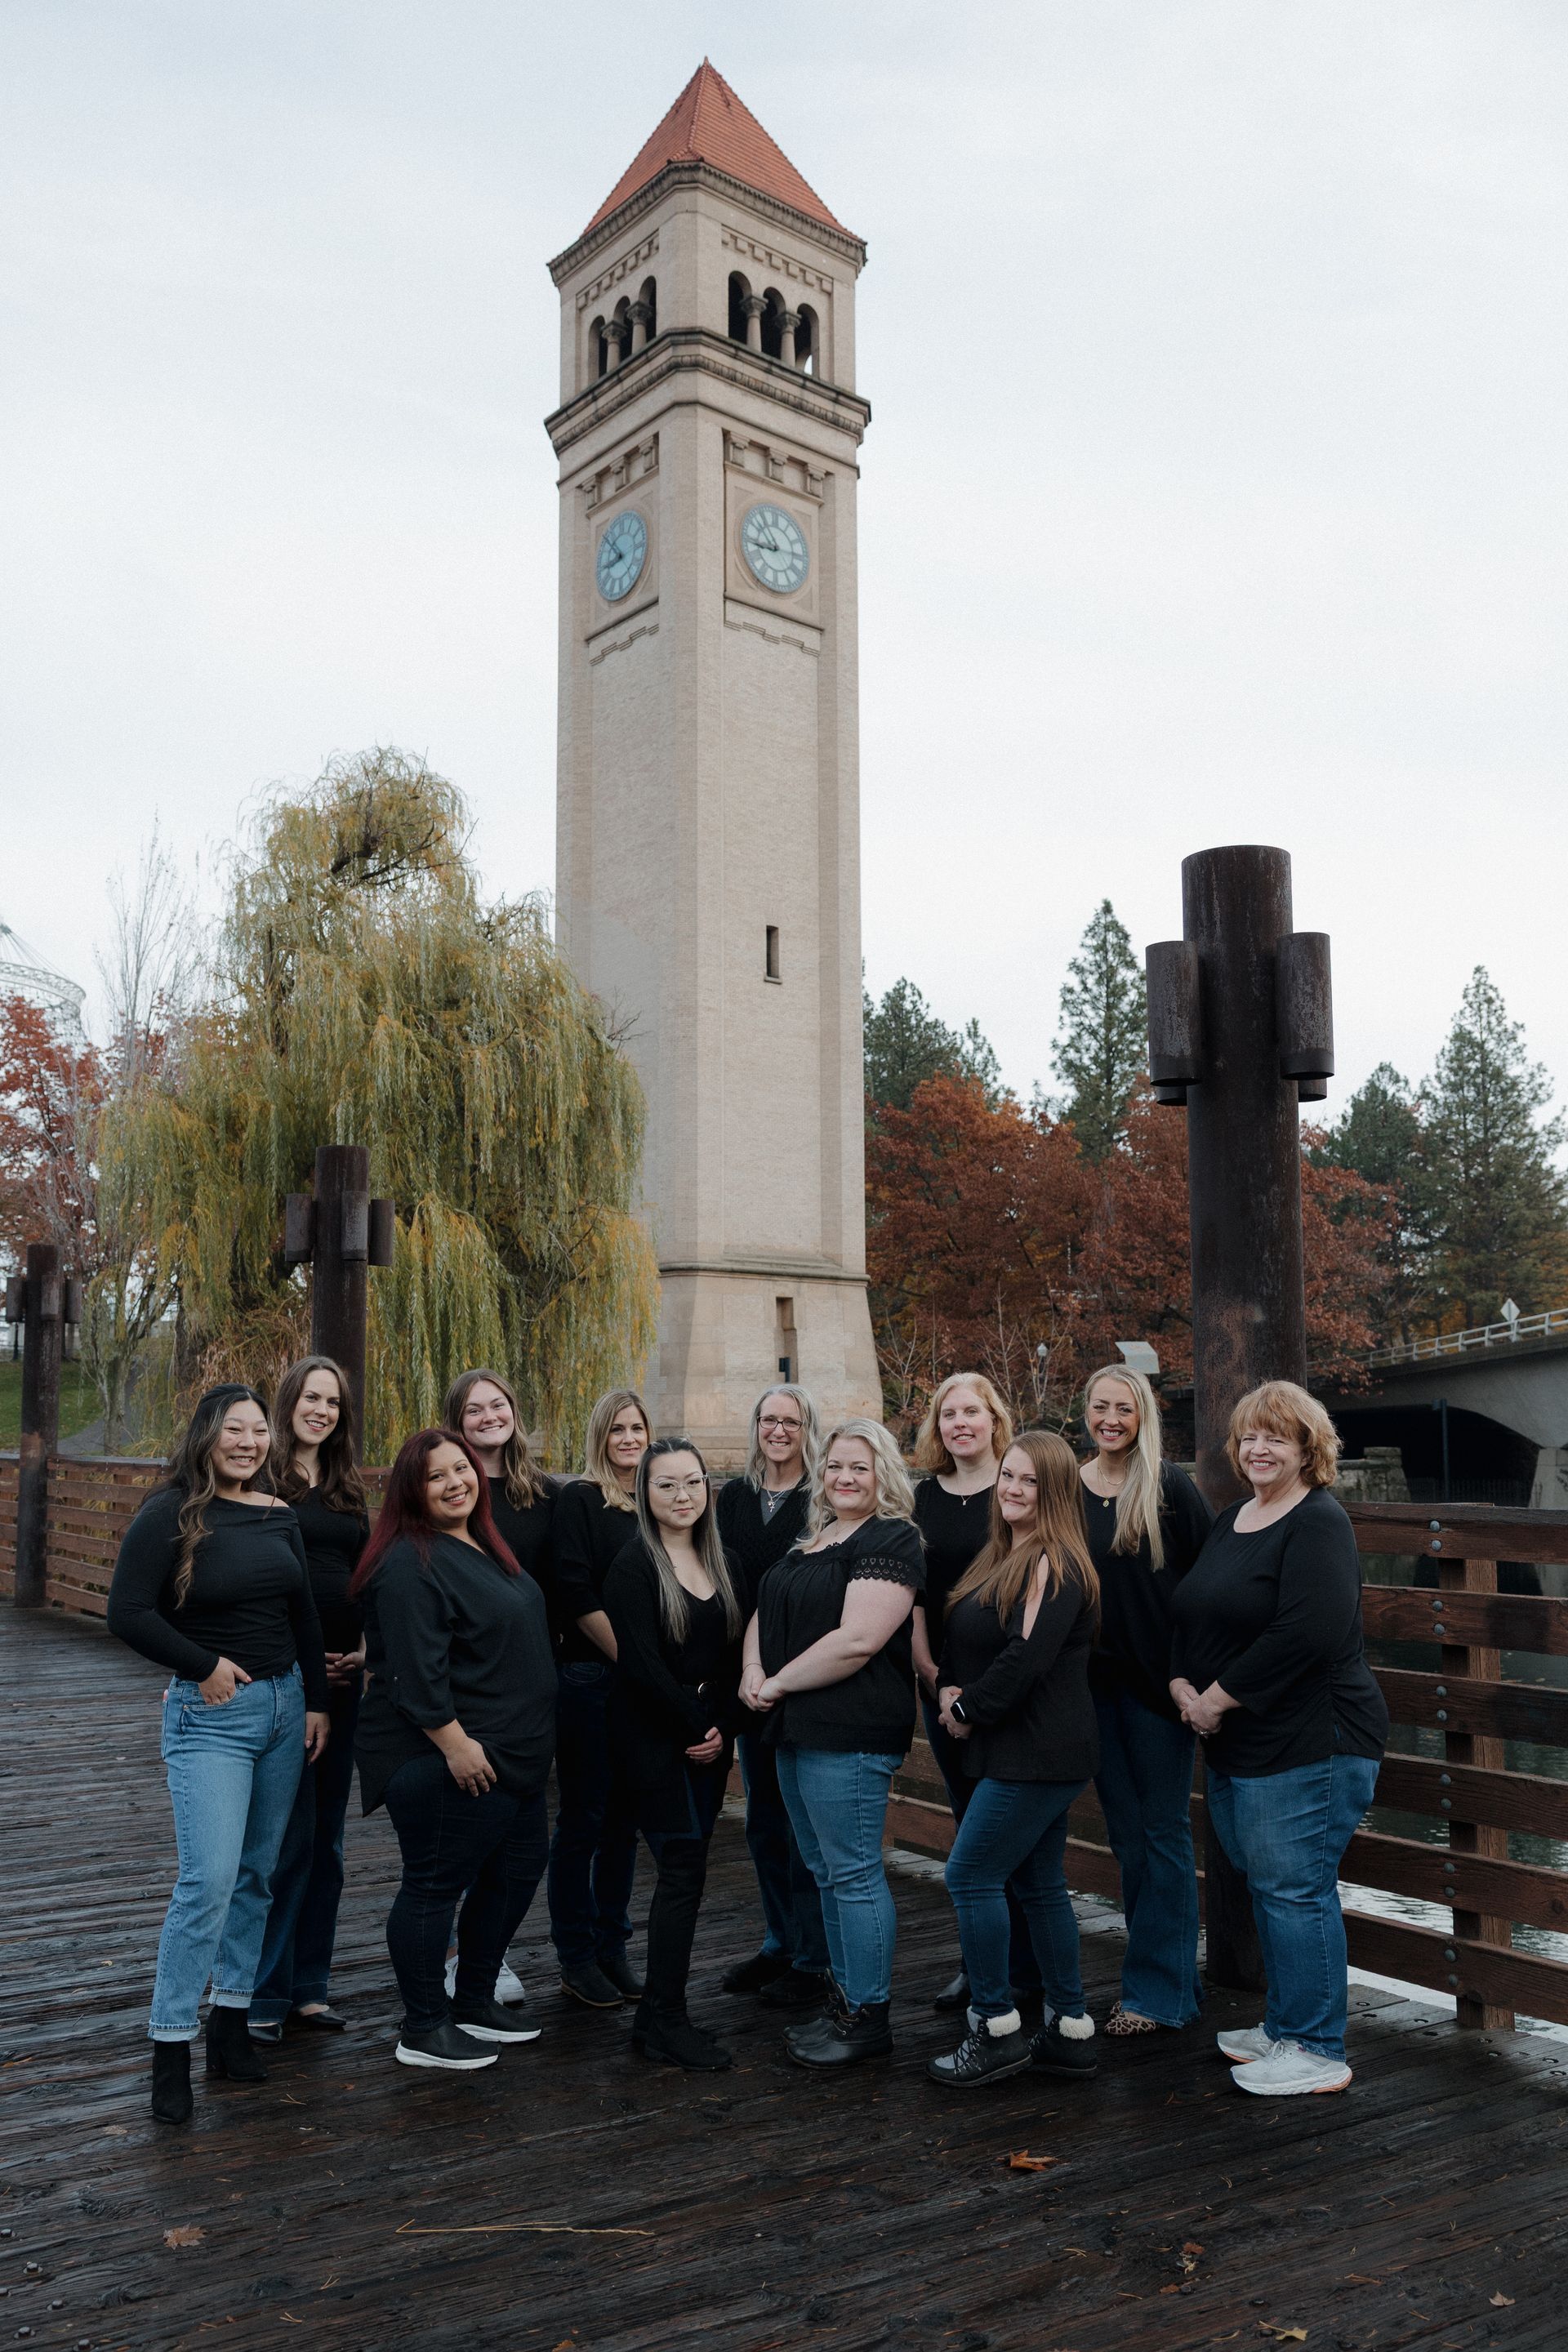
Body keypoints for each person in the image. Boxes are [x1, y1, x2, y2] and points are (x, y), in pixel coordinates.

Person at [106, 1384, 330, 2126]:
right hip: (213, 1717)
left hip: (284, 1707)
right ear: (206, 1434)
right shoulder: (171, 1512)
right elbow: (128, 1612)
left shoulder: (279, 1515)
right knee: (208, 1880)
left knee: (258, 1874)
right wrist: (202, 1666)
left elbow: (303, 1612)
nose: (247, 1442)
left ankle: (231, 2024)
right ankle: (171, 2042)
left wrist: (317, 1701)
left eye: (258, 1430)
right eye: (233, 1429)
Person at [1169, 1380, 1388, 2099]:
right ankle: (1286, 2025)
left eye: (1277, 1438)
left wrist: (1218, 1700)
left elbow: (1309, 1631)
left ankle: (1319, 2047)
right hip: (1240, 1737)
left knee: (1296, 1889)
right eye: (1249, 1437)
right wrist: (1181, 1685)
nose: (1259, 1449)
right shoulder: (1237, 1516)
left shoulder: (1318, 1521)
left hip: (1312, 1738)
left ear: (1308, 1449)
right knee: (1270, 1882)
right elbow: (1196, 1610)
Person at [351, 1428, 556, 2071]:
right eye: (436, 1476)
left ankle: (473, 2000)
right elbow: (414, 1674)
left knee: (517, 1869)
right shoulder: (412, 1563)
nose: (455, 1482)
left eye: (461, 1469)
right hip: (452, 1760)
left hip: (511, 1758)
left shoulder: (481, 1544)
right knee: (434, 1887)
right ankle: (423, 2027)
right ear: (411, 1490)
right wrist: (455, 1745)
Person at [744, 1418, 924, 2069]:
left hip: (849, 1729)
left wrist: (780, 1682)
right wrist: (751, 1672)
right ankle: (844, 2000)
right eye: (836, 1467)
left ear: (884, 1476)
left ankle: (869, 2016)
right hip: (793, 1725)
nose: (844, 1478)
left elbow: (858, 1641)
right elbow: (765, 1611)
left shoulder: (892, 1540)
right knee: (824, 1869)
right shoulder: (815, 1538)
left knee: (852, 1872)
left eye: (859, 1468)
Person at [928, 1432, 1101, 2087]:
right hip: (1020, 1749)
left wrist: (966, 1710)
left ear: (1052, 1491)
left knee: (969, 1876)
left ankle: (996, 2027)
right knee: (1037, 1883)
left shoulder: (1053, 1562)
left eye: (1028, 1481)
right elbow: (968, 1638)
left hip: (1040, 1751)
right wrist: (948, 1682)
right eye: (1006, 1476)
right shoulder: (1004, 1554)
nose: (1011, 1489)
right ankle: (1069, 2030)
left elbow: (1025, 1659)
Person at [606, 1439, 751, 2070]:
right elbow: (639, 1666)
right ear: (645, 1493)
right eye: (666, 1485)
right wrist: (695, 1724)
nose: (683, 1495)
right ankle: (664, 2018)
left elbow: (739, 1654)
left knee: (687, 1873)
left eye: (693, 1482)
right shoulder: (633, 1566)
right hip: (653, 1741)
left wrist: (723, 1725)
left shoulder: (726, 1563)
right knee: (682, 1869)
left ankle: (657, 2015)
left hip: (710, 1742)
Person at [1077, 1361, 1212, 2038]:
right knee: (1128, 1838)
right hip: (1093, 1690)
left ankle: (1158, 1996)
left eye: (1123, 1410)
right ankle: (1169, 1984)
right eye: (1101, 1407)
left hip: (1159, 1690)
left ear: (1142, 1418)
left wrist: (1199, 1675)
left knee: (1162, 1835)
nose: (1110, 1419)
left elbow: (1213, 1575)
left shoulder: (1166, 1487)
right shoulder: (1069, 1489)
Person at [909, 1373, 1038, 2016]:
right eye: (948, 1414)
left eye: (972, 1411)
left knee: (1009, 1833)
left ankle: (1027, 1971)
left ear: (994, 1419)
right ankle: (977, 1965)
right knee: (968, 1829)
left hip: (1008, 1688)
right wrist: (933, 1676)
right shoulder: (920, 1498)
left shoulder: (1015, 1491)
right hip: (941, 1688)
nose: (960, 1423)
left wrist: (983, 1690)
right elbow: (912, 1596)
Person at [251, 1356, 371, 2043]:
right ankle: (261, 1994)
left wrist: (364, 1652)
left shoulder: (349, 1488)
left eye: (333, 1401)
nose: (321, 1410)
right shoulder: (263, 1479)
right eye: (311, 1397)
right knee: (286, 1839)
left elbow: (370, 1576)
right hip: (286, 1678)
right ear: (289, 1399)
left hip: (343, 1680)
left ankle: (309, 1990)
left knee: (326, 1839)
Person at [440, 1365, 560, 2006]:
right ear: (456, 1422)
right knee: (472, 1823)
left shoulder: (539, 1494)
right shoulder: (449, 1487)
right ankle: (458, 1954)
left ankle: (489, 1950)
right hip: (467, 1681)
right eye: (474, 1411)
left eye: (498, 1405)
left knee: (520, 1831)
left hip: (529, 1683)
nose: (489, 1418)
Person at [715, 1385, 830, 2011]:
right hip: (746, 1678)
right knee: (763, 1818)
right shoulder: (733, 1498)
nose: (778, 1430)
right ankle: (778, 1941)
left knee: (801, 1823)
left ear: (807, 1429)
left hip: (800, 1676)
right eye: (769, 1419)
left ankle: (814, 1956)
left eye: (791, 1421)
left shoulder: (821, 1501)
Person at [547, 1388, 650, 2008]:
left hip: (645, 1690)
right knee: (583, 1819)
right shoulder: (581, 1501)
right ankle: (576, 1954)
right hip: (591, 1678)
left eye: (638, 1428)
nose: (630, 1439)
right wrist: (633, 1661)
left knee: (625, 1824)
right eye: (618, 1430)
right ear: (600, 1438)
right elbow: (574, 1590)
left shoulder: (660, 1502)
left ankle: (613, 1946)